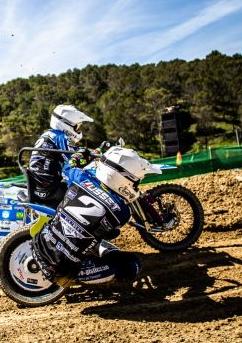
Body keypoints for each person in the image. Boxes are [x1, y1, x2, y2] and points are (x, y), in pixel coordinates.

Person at [32, 145, 162, 287]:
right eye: (137, 180)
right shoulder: (122, 211)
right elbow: (110, 233)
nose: (137, 183)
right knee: (131, 265)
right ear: (126, 179)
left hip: (38, 244)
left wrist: (79, 155)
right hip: (61, 271)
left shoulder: (80, 177)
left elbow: (68, 167)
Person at [27, 104, 94, 208]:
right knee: (88, 195)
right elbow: (72, 161)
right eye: (77, 126)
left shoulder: (48, 134)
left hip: (38, 187)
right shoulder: (61, 137)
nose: (78, 130)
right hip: (50, 190)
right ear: (67, 125)